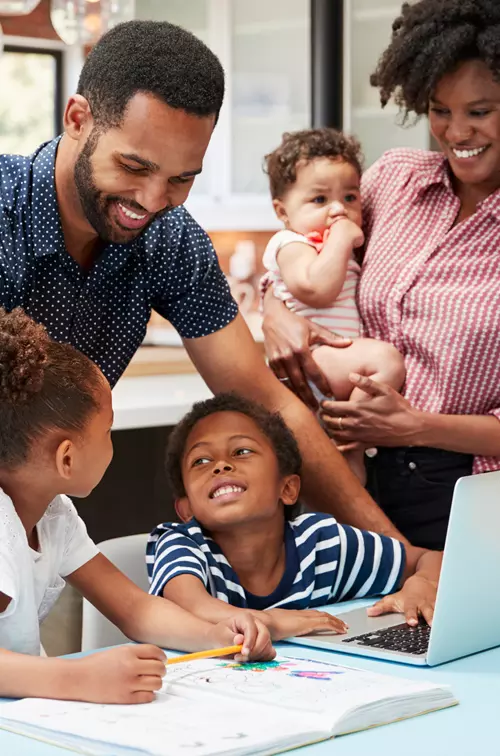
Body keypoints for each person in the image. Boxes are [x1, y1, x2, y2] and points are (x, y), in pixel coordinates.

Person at [0, 21, 418, 568]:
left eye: (181, 179)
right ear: (78, 119)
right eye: (133, 166)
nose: (151, 201)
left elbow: (268, 404)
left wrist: (402, 557)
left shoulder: (172, 243)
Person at [261, 0, 500, 550]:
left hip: (457, 484)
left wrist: (413, 425)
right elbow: (306, 241)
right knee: (350, 631)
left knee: (437, 631)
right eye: (440, 109)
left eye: (480, 112)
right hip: (343, 458)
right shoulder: (393, 180)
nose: (455, 131)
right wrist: (273, 308)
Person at [0, 308, 274, 703]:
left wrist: (217, 636)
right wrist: (77, 677)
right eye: (107, 430)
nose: (111, 442)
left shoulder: (53, 515)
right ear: (67, 459)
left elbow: (135, 609)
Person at [146, 393, 441, 638]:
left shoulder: (323, 544)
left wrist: (422, 583)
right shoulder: (182, 544)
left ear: (287, 488)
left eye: (241, 451)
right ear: (186, 510)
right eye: (201, 460)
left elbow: (433, 559)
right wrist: (269, 621)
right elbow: (191, 605)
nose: (221, 466)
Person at [262, 128, 405, 481]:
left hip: (334, 364)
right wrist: (342, 237)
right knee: (387, 360)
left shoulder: (335, 249)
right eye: (319, 200)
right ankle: (350, 425)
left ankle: (348, 455)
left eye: (350, 197)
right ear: (283, 211)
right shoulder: (291, 243)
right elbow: (315, 289)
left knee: (343, 475)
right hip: (312, 357)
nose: (338, 209)